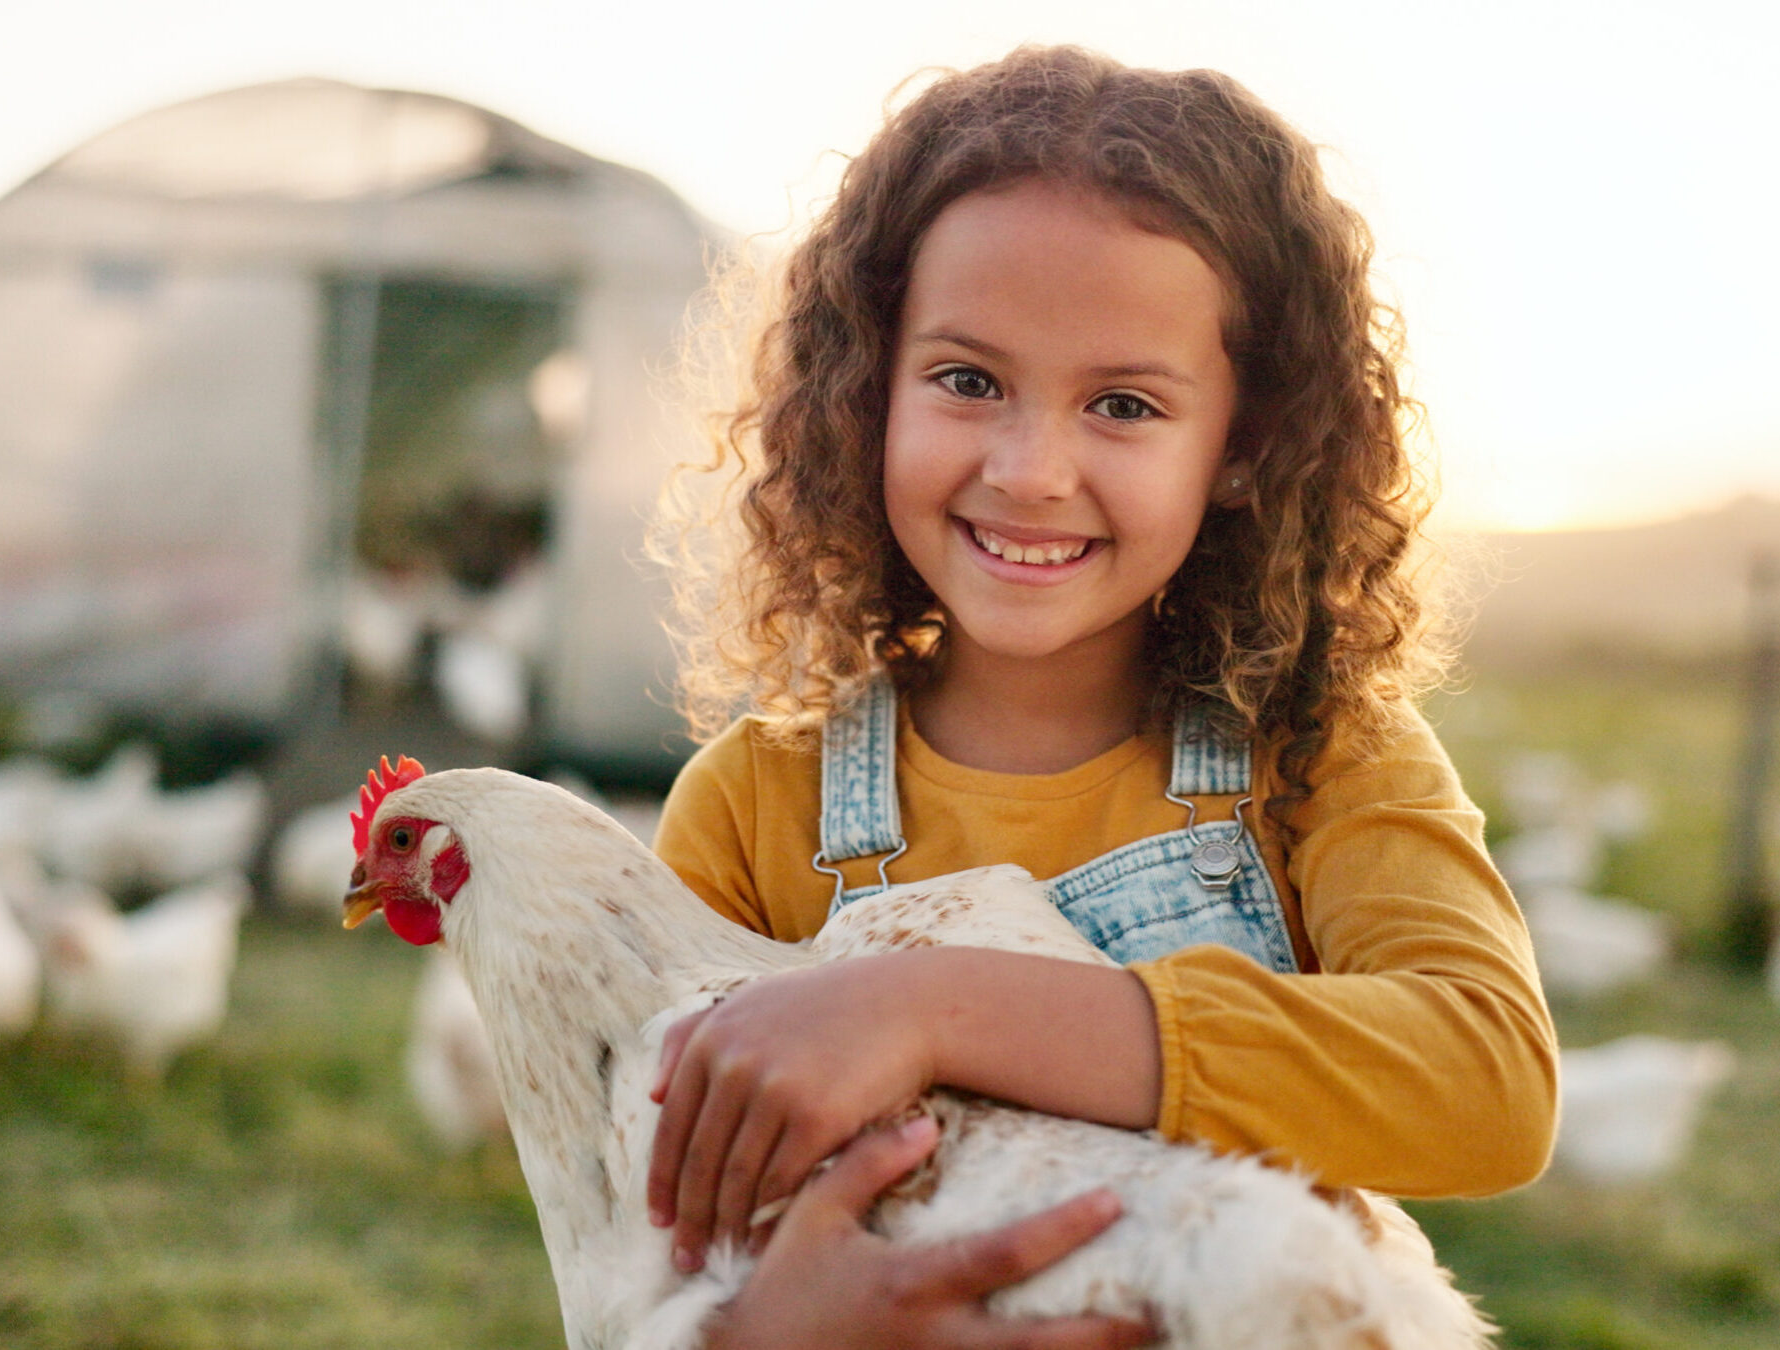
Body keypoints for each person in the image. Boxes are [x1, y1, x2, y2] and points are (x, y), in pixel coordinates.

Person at [645, 44, 1557, 1346]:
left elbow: (1486, 1080)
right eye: (966, 380)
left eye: (1122, 404)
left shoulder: (1314, 757)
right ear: (865, 391)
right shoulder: (752, 806)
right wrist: (772, 1327)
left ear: (1241, 448)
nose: (1028, 470)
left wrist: (922, 1005)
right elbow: (648, 1231)